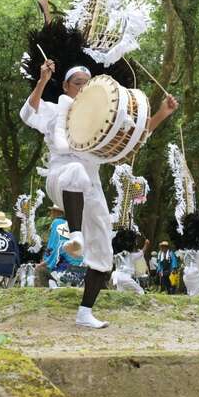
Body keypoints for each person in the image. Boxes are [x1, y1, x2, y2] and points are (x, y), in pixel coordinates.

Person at [21, 55, 178, 328]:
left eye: (87, 83)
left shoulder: (105, 118)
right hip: (60, 178)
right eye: (77, 83)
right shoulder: (55, 111)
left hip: (91, 191)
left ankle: (85, 312)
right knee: (76, 173)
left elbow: (134, 138)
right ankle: (75, 234)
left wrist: (163, 112)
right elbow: (28, 112)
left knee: (104, 253)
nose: (83, 87)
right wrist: (42, 80)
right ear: (67, 88)